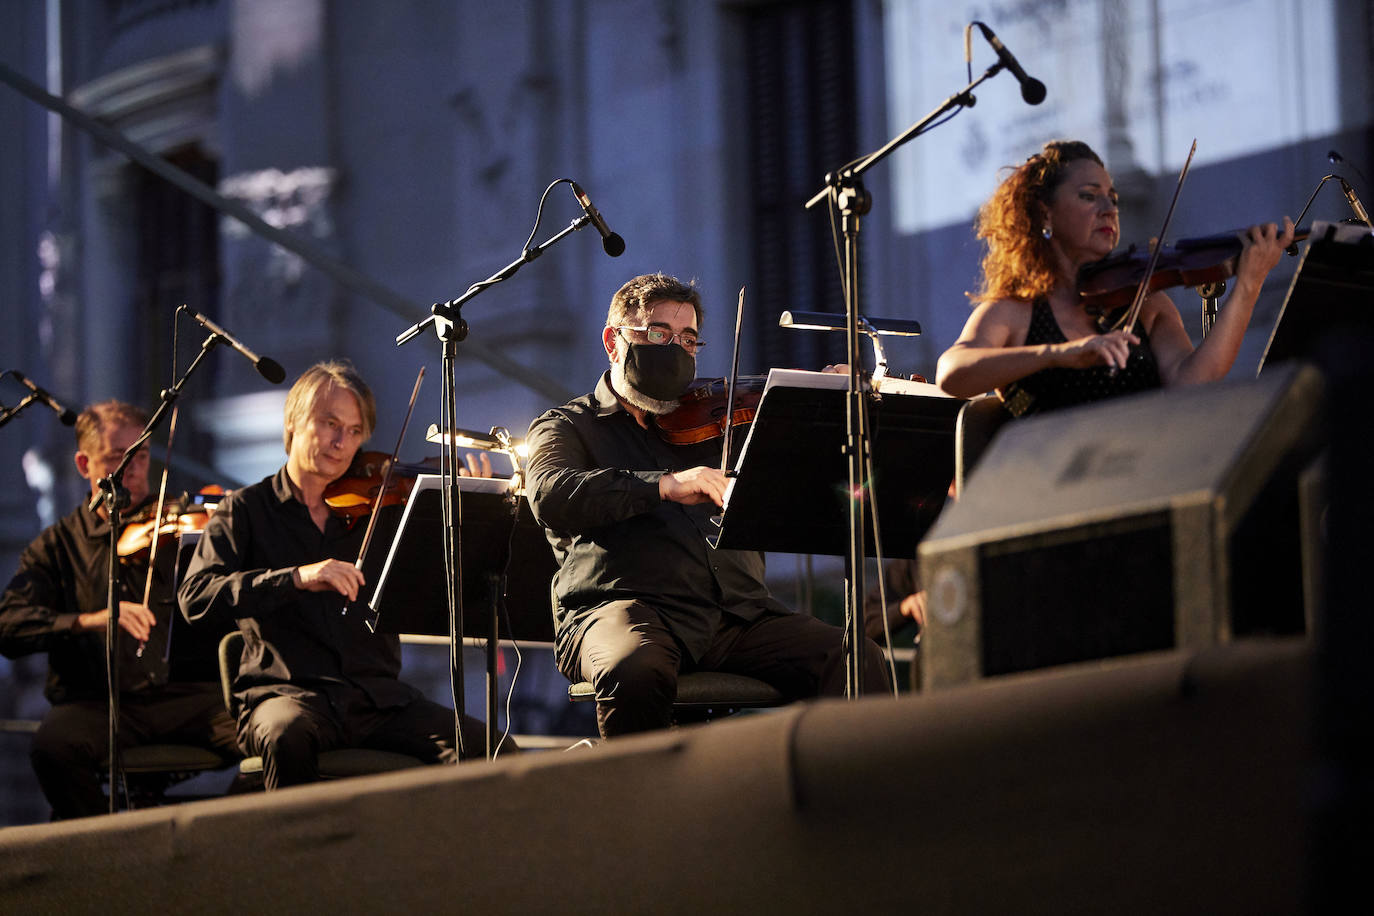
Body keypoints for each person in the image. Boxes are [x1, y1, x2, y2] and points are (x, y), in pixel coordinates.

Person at [524, 273, 890, 739]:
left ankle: (861, 802)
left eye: (689, 339)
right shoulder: (566, 425)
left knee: (856, 658)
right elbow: (551, 492)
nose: (676, 349)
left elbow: (799, 475)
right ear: (613, 342)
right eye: (659, 334)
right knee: (635, 668)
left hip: (737, 616)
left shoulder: (721, 421)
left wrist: (820, 402)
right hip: (621, 607)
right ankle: (644, 807)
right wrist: (666, 484)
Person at [177, 360, 509, 790]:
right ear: (294, 422)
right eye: (330, 424)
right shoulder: (243, 511)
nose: (341, 443)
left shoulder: (384, 510)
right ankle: (299, 855)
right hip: (286, 694)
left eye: (354, 431)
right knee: (285, 736)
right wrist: (294, 577)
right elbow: (196, 598)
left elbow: (440, 585)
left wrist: (470, 504)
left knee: (493, 752)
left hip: (376, 699)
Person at [0, 400, 238, 819]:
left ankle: (231, 844)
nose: (132, 467)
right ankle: (105, 854)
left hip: (187, 699)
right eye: (116, 456)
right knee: (53, 747)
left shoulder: (182, 524)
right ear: (83, 463)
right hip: (97, 704)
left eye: (141, 455)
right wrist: (92, 620)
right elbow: (9, 626)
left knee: (270, 733)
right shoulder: (57, 546)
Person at [936, 139, 1295, 414]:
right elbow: (952, 372)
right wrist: (1058, 354)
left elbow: (1191, 383)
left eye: (1113, 198)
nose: (1109, 209)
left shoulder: (1148, 302)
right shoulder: (1016, 311)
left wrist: (1248, 285)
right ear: (1045, 214)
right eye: (1089, 197)